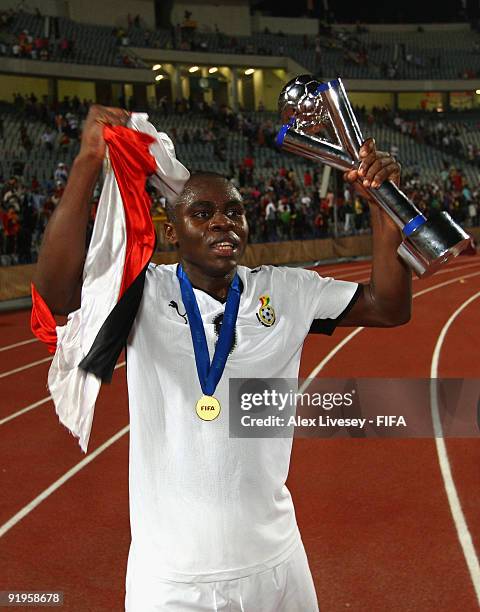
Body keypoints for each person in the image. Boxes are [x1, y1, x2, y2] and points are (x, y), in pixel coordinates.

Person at [32, 105, 411, 611]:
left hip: (276, 563)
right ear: (172, 232)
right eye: (203, 213)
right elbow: (57, 297)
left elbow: (388, 306)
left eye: (234, 211)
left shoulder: (286, 291)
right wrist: (87, 160)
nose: (222, 223)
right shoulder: (141, 293)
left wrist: (381, 209)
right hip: (169, 579)